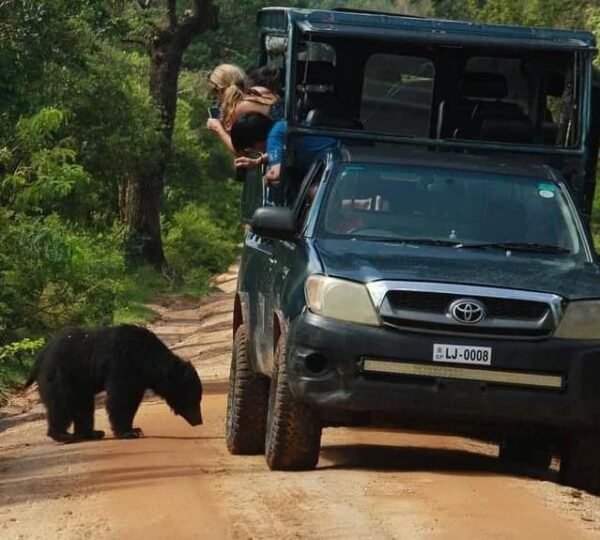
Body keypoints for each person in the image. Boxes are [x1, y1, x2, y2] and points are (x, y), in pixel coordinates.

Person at [230, 112, 337, 184]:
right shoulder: (279, 126)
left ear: (255, 142)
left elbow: (276, 174)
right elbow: (281, 152)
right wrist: (259, 161)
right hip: (337, 151)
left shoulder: (273, 137)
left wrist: (265, 178)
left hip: (337, 160)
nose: (256, 151)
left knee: (312, 191)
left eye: (249, 149)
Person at [206, 64, 283, 154]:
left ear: (219, 90)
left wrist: (218, 128)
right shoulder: (259, 90)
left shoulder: (237, 109)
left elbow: (240, 151)